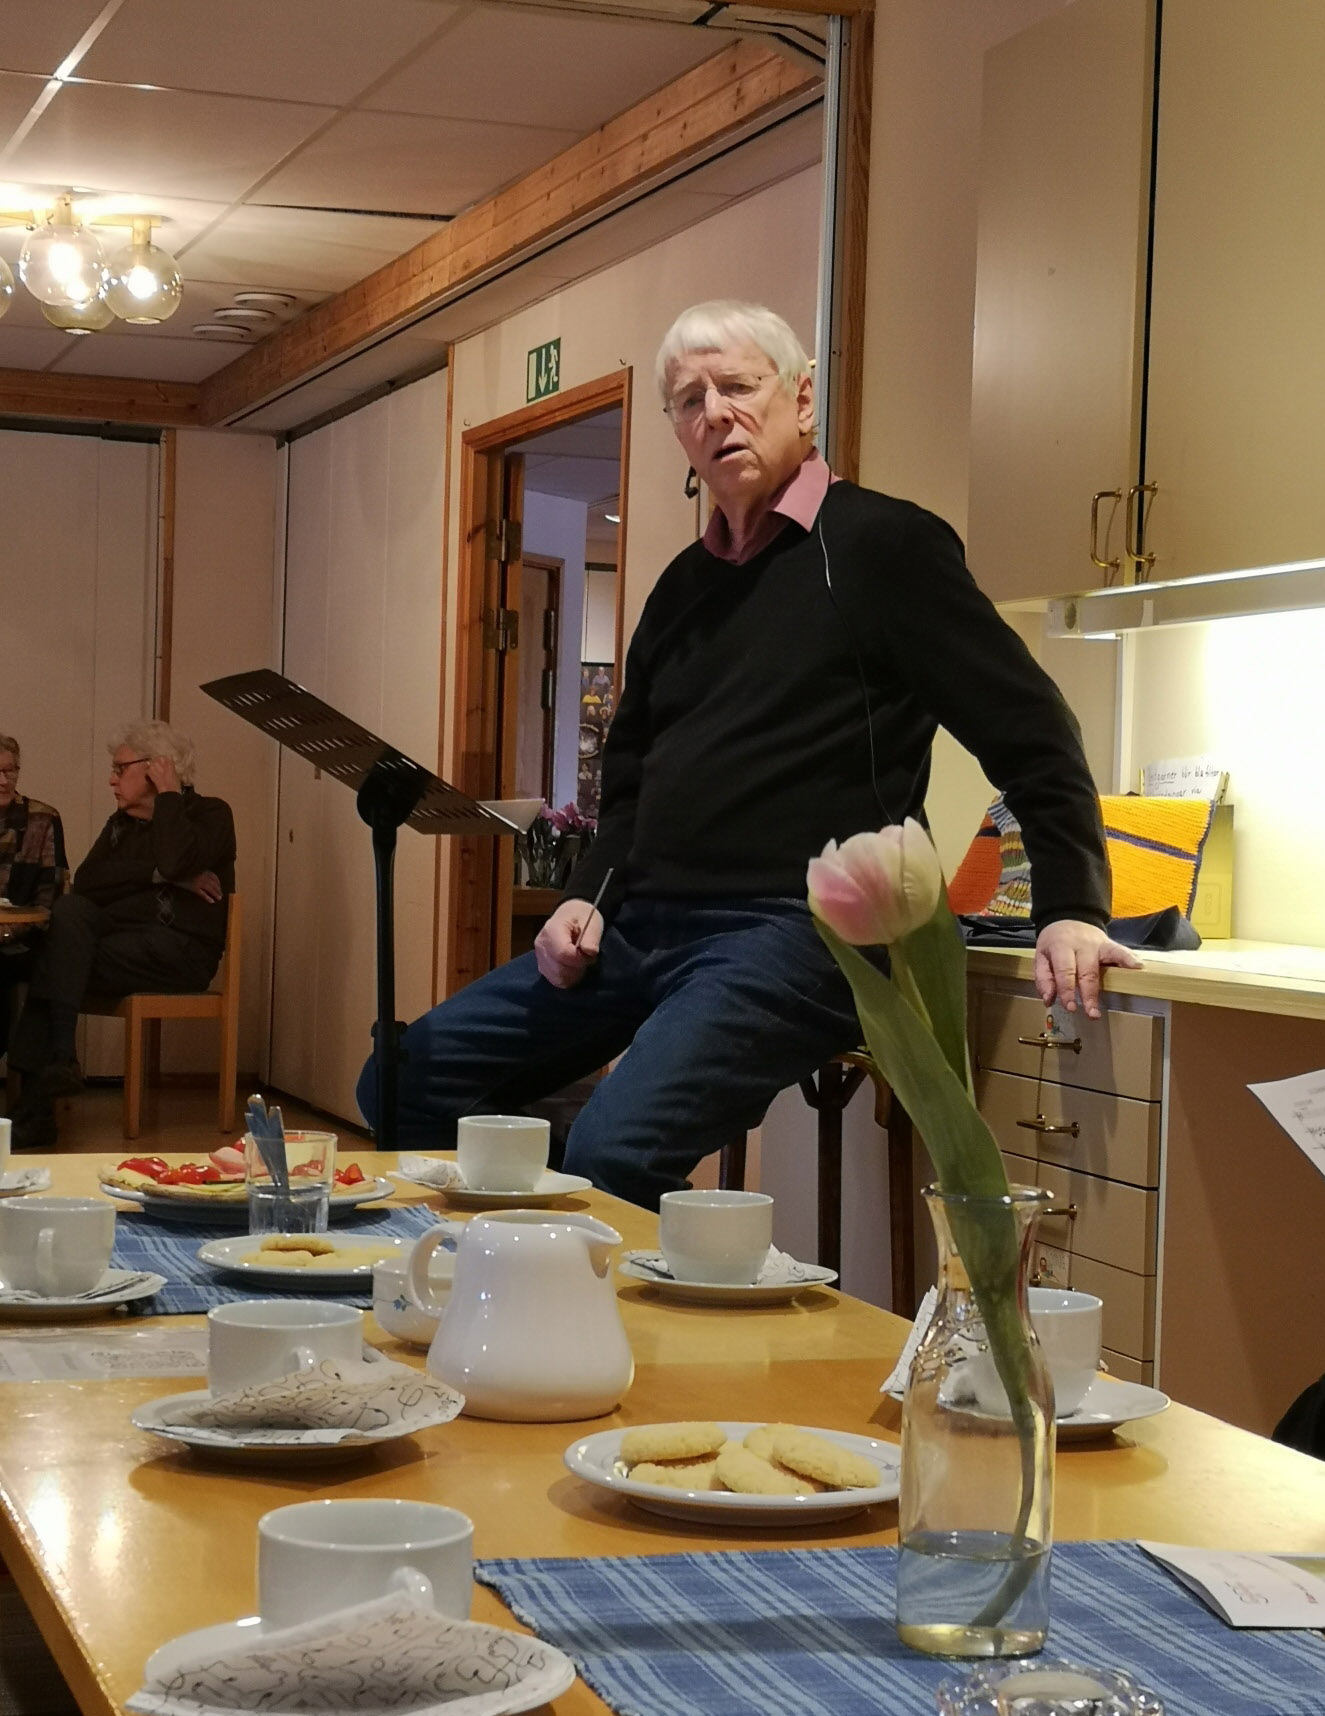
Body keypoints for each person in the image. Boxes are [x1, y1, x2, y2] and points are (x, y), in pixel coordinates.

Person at [357, 299, 1139, 1208]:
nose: (715, 413)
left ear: (801, 400)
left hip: (794, 931)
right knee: (400, 1082)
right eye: (690, 400)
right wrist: (583, 896)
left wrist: (1072, 906)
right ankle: (546, 1232)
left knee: (611, 1153)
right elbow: (631, 776)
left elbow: (1032, 730)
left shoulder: (886, 546)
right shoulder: (682, 588)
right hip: (641, 926)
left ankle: (580, 1243)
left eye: (737, 386)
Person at [9, 722, 236, 1149]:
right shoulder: (121, 825)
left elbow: (175, 858)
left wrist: (168, 797)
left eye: (120, 768)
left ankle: (38, 1103)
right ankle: (58, 1060)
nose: (111, 779)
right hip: (119, 945)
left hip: (179, 952)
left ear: (156, 768)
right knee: (69, 912)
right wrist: (156, 876)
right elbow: (89, 882)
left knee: (50, 956)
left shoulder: (210, 815)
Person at [0, 734, 67, 1061]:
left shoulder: (42, 819)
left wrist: (8, 932)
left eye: (10, 771)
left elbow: (50, 896)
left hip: (23, 940)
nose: (3, 781)